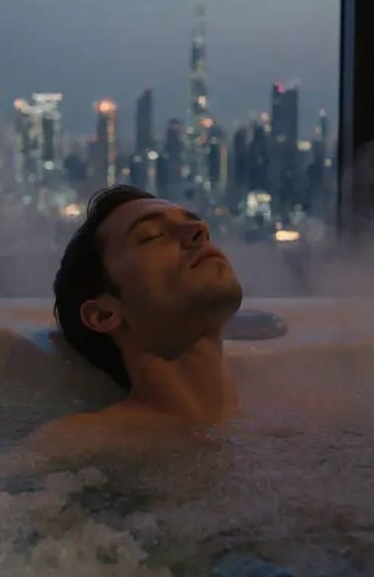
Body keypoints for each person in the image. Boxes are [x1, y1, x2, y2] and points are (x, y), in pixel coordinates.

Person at [38, 184, 244, 446]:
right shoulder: (76, 443)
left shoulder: (299, 412)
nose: (200, 231)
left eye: (197, 224)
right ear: (104, 314)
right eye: (152, 235)